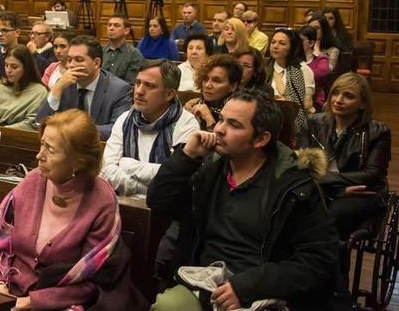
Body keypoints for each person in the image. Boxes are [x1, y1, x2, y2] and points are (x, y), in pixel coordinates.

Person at [148, 88, 345, 311]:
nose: (219, 129)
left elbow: (317, 260)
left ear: (261, 139)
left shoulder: (293, 185)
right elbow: (158, 201)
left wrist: (246, 287)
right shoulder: (209, 168)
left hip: (263, 289)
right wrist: (186, 157)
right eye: (221, 119)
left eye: (234, 125)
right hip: (204, 279)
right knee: (167, 306)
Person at [0, 110, 146, 310]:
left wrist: (32, 302)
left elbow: (95, 281)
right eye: (42, 144)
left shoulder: (101, 200)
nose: (39, 155)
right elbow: (1, 244)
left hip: (66, 302)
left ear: (79, 161)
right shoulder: (32, 181)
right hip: (14, 290)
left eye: (50, 150)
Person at [300, 73, 391, 239]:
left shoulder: (378, 132)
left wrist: (324, 180)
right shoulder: (312, 123)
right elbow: (303, 167)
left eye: (348, 96)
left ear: (363, 103)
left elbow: (371, 175)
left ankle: (331, 263)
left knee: (328, 218)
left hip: (362, 193)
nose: (338, 100)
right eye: (335, 93)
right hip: (322, 189)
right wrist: (338, 189)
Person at [101, 59, 199, 197]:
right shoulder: (124, 119)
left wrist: (126, 164)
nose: (139, 91)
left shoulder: (186, 124)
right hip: (123, 204)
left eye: (149, 86)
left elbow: (173, 178)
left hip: (167, 212)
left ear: (169, 94)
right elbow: (108, 171)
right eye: (137, 83)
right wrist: (146, 189)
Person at [36, 35, 132, 139]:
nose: (71, 65)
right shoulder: (63, 84)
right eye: (69, 60)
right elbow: (40, 123)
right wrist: (56, 90)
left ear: (96, 63)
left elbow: (118, 129)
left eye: (78, 59)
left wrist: (74, 130)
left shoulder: (118, 90)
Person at [0, 46, 48, 130]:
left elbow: (32, 122)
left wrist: (4, 130)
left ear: (26, 68)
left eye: (14, 67)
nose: (8, 70)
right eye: (6, 65)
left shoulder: (39, 91)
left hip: (20, 136)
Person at [267, 28, 315, 133]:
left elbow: (306, 104)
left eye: (282, 43)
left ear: (292, 47)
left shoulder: (302, 70)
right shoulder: (265, 67)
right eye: (273, 42)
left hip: (292, 123)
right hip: (266, 118)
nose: (275, 46)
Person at [184, 54, 242, 131]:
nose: (208, 85)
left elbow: (225, 142)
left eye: (217, 81)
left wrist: (209, 119)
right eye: (205, 79)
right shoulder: (192, 105)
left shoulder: (238, 113)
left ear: (233, 86)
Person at [102, 16, 144, 85]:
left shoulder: (134, 54)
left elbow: (130, 84)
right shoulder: (100, 51)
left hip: (121, 94)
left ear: (126, 31)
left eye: (116, 25)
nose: (111, 28)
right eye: (109, 25)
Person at [300, 26, 330, 110]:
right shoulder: (293, 59)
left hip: (315, 101)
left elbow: (321, 72)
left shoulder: (321, 59)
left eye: (301, 41)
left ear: (311, 43)